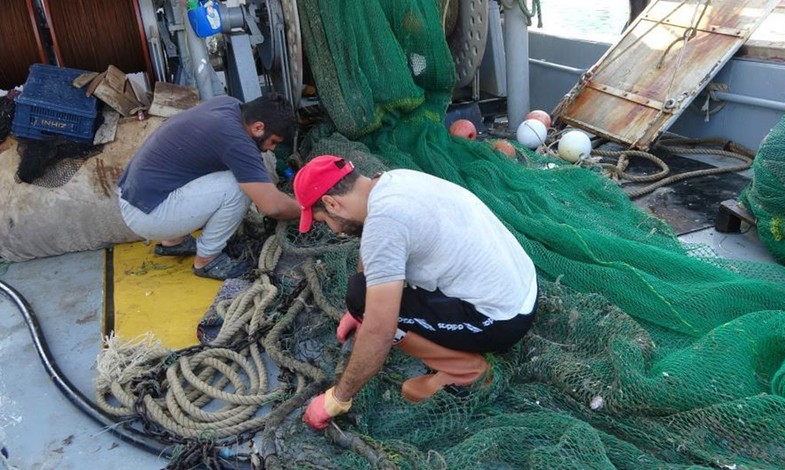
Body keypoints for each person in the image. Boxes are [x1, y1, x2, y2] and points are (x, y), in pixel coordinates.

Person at [293, 155, 539, 430]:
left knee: (372, 310)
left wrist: (336, 399)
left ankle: (465, 370)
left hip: (502, 318)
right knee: (361, 295)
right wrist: (356, 311)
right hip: (524, 287)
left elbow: (379, 331)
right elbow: (374, 255)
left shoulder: (384, 224)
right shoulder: (392, 182)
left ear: (331, 203)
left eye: (325, 220)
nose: (334, 230)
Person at [117, 93, 301, 280]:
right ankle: (207, 260)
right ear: (258, 127)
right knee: (237, 186)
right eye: (274, 142)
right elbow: (272, 206)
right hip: (147, 215)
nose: (272, 149)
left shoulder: (228, 104)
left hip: (136, 197)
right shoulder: (236, 140)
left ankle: (174, 241)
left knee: (221, 171)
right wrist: (308, 209)